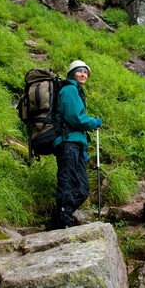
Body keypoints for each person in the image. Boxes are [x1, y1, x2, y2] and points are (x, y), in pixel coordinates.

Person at [52, 60, 102, 229]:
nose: (83, 75)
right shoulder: (69, 89)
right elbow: (76, 118)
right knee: (69, 183)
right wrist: (94, 122)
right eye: (80, 71)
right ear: (72, 73)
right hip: (68, 143)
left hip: (75, 145)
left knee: (81, 188)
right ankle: (62, 221)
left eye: (86, 72)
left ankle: (60, 218)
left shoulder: (74, 90)